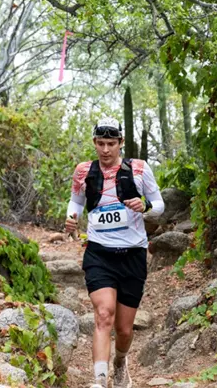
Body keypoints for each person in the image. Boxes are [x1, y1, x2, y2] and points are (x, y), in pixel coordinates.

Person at [65, 117, 165, 388]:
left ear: (121, 143)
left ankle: (120, 361)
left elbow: (159, 205)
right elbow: (76, 201)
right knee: (103, 314)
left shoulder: (139, 170)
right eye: (100, 143)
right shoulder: (84, 171)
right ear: (94, 143)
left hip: (133, 254)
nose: (106, 150)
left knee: (123, 329)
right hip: (99, 253)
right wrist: (72, 218)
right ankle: (99, 380)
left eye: (111, 143)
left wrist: (143, 207)